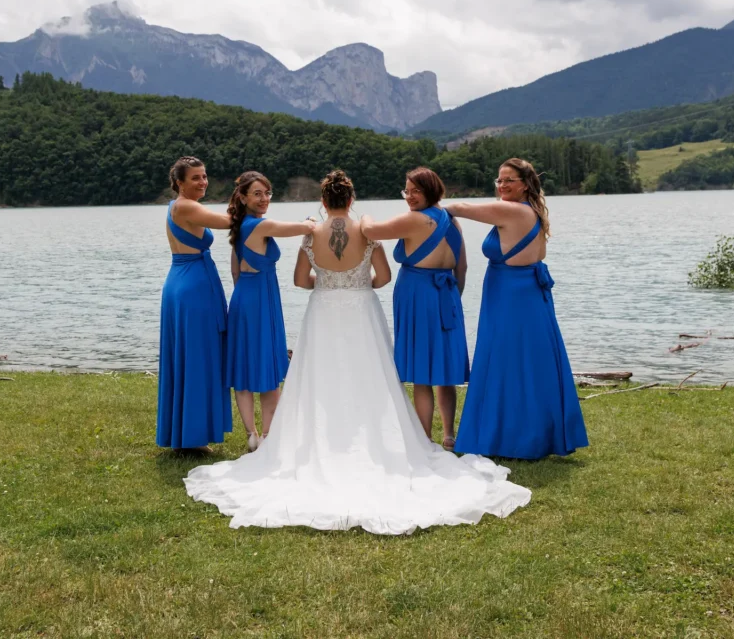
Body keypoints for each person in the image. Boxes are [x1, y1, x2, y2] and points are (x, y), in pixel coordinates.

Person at [184, 170, 531, 534]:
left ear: (323, 201)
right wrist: (356, 281)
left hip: (322, 313)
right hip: (362, 310)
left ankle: (314, 443)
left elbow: (301, 282)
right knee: (371, 379)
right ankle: (402, 440)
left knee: (321, 381)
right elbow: (383, 278)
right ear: (351, 200)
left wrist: (329, 283)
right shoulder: (367, 233)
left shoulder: (311, 233)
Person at [446, 158, 588, 460]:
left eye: (508, 179)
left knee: (506, 361)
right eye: (498, 180)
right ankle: (534, 435)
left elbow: (459, 208)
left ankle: (510, 439)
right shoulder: (532, 211)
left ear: (525, 183)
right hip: (526, 293)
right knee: (530, 363)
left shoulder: (510, 210)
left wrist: (426, 207)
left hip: (511, 295)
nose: (501, 185)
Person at [359, 167, 468, 449]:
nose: (410, 196)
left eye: (416, 190)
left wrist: (365, 215)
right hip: (447, 296)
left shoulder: (414, 220)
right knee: (444, 370)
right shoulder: (452, 221)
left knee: (422, 373)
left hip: (419, 297)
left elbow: (370, 231)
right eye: (407, 190)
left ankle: (424, 439)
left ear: (431, 189)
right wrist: (453, 299)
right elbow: (462, 267)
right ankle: (449, 434)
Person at [225, 171, 315, 452]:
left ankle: (253, 434)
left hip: (245, 297)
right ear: (243, 197)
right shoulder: (257, 225)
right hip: (261, 300)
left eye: (267, 193)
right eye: (257, 194)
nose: (264, 199)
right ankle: (266, 435)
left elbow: (235, 271)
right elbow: (293, 228)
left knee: (245, 366)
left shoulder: (240, 227)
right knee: (268, 367)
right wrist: (310, 223)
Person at [156, 156, 233, 452]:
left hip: (183, 280)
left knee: (189, 356)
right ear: (179, 182)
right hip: (193, 287)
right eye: (195, 178)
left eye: (204, 176)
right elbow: (229, 222)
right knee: (196, 356)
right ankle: (191, 436)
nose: (203, 182)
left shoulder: (178, 206)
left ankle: (188, 434)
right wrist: (253, 201)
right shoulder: (186, 206)